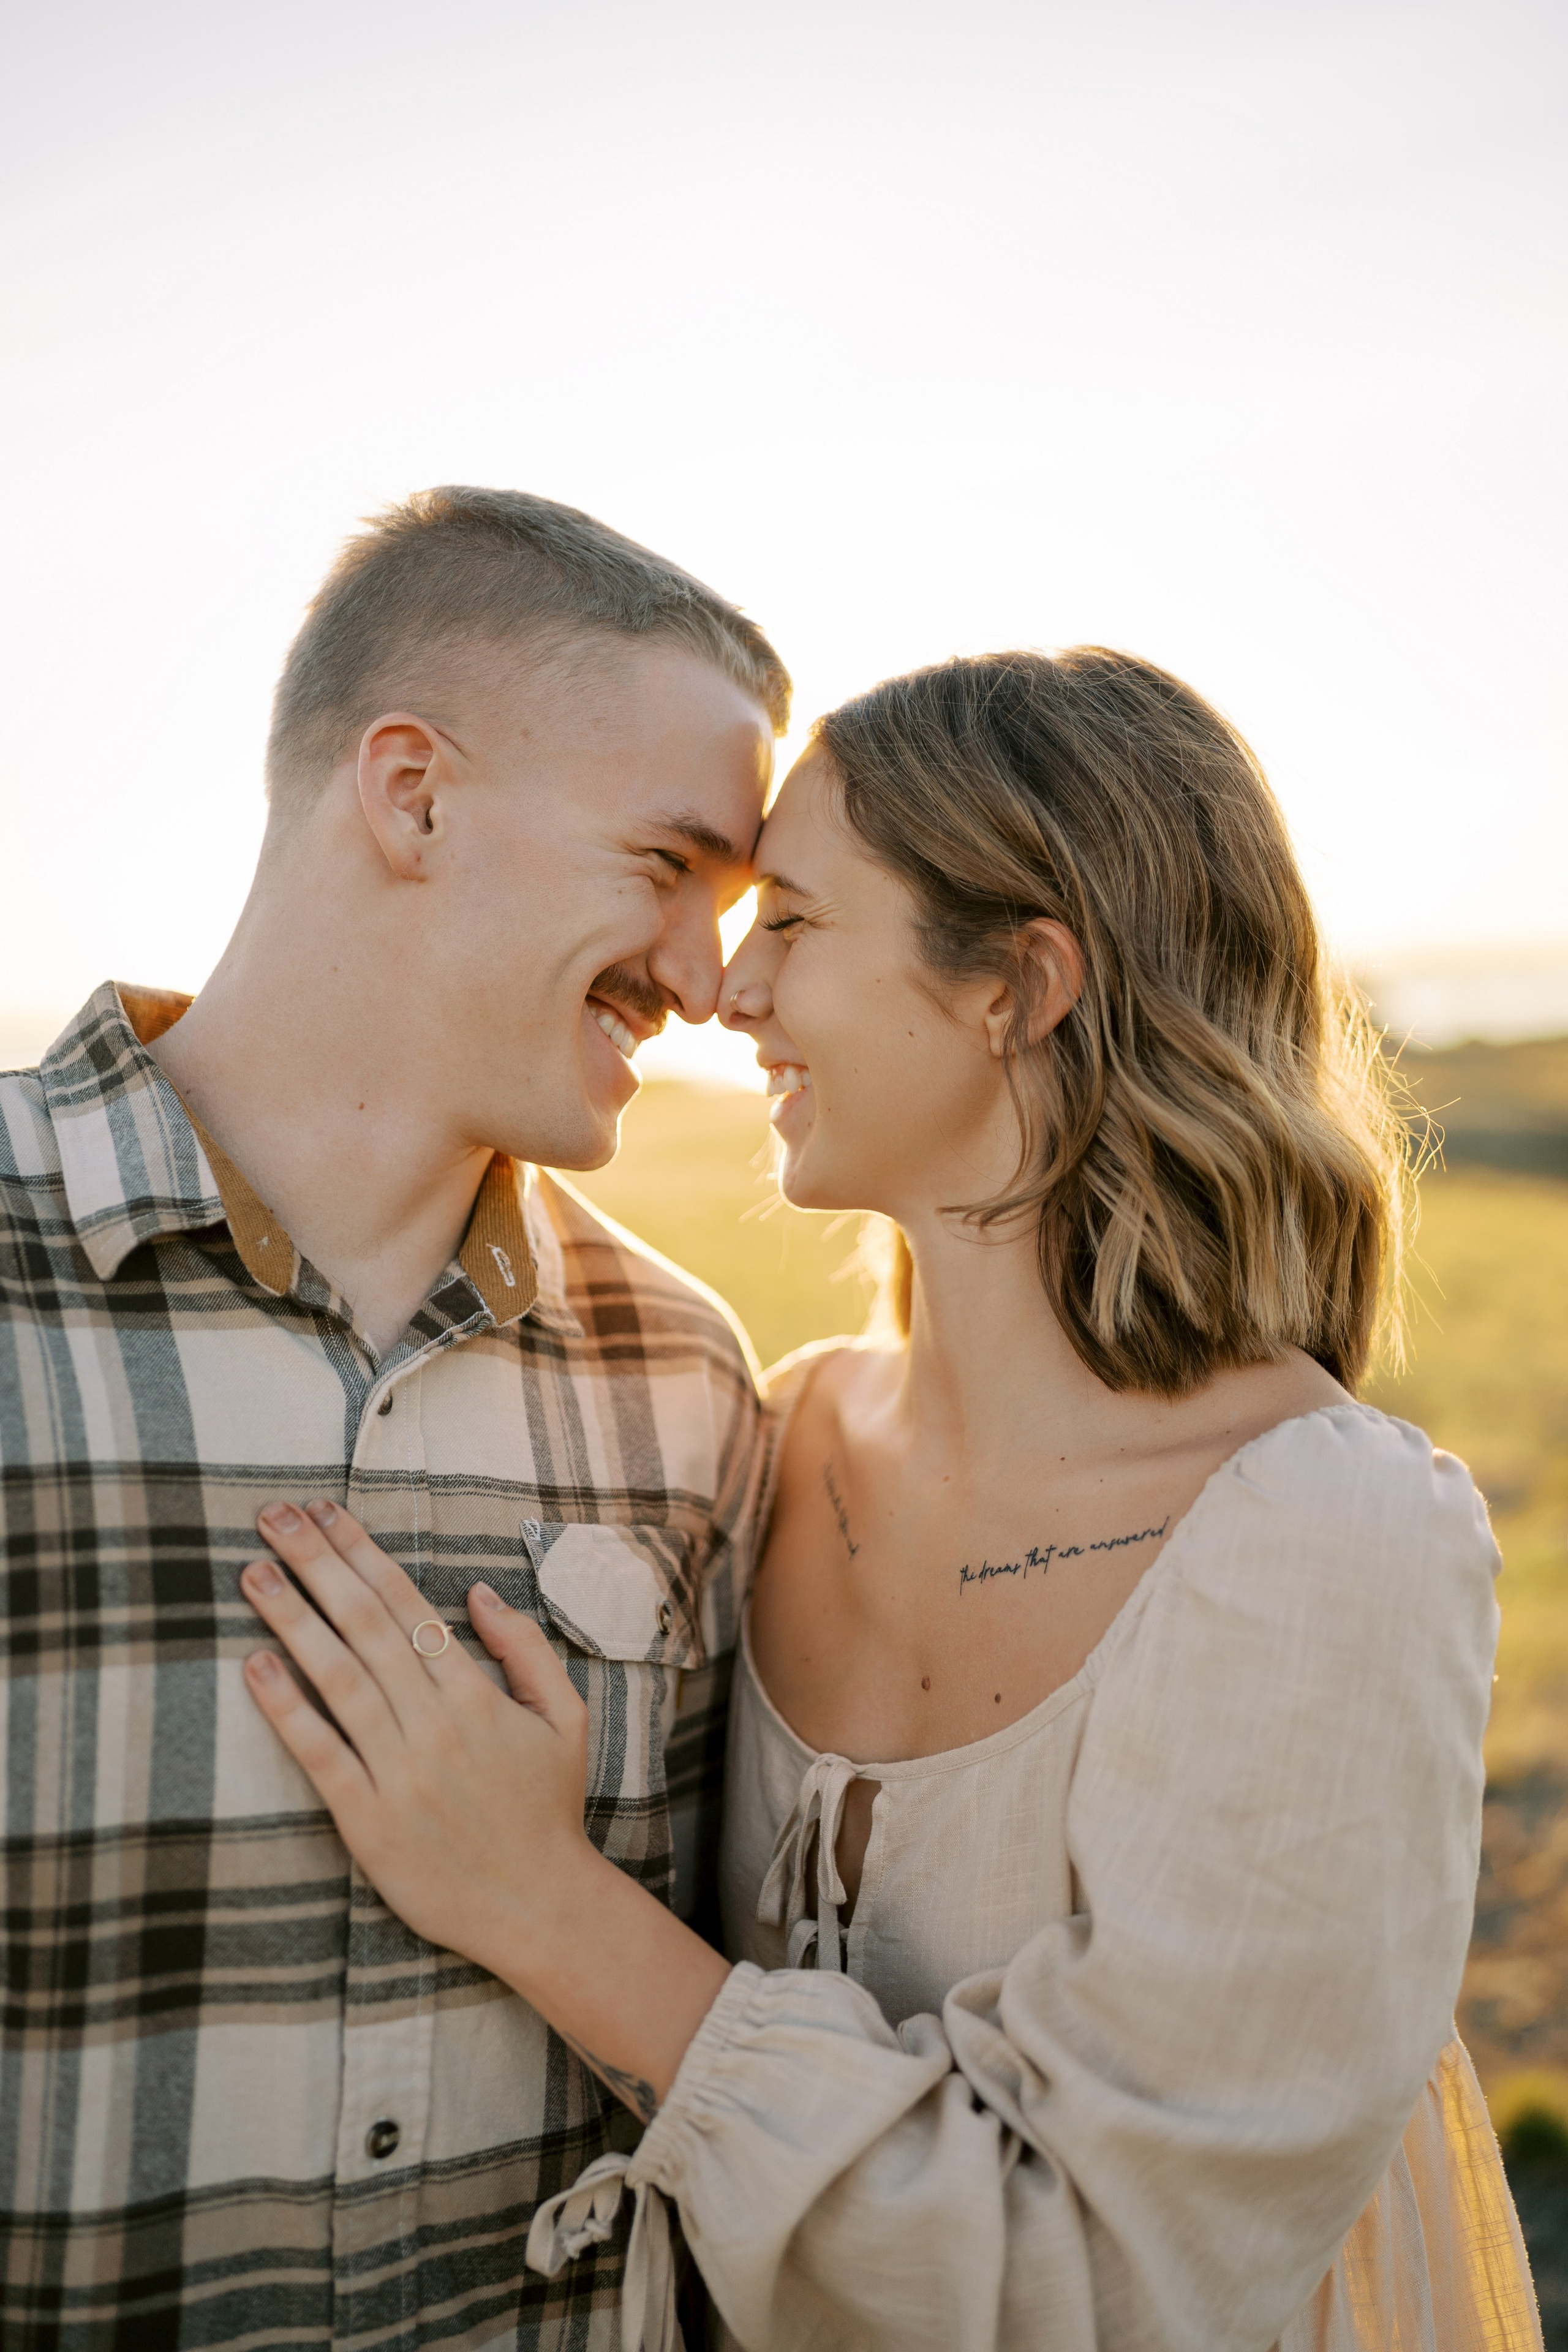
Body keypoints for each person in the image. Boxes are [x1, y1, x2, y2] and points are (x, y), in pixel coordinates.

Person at [237, 646, 1542, 2351]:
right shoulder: (767, 1441)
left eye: (791, 918)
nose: (724, 989)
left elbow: (1108, 2278)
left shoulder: (1323, 1536)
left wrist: (543, 1905)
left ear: (1019, 986)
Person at [0, 488, 791, 2348]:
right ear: (413, 793)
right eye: (668, 864)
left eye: (736, 907)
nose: (704, 979)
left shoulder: (685, 1385)